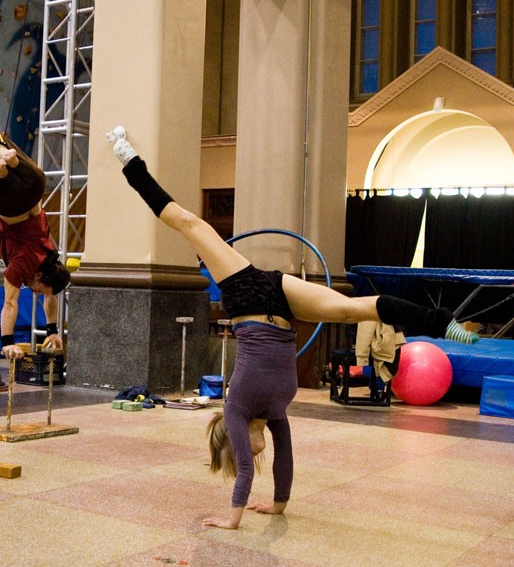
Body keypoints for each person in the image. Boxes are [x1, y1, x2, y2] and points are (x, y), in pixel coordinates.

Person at [105, 125, 478, 530]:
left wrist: (231, 520)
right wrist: (279, 505)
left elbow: (245, 473)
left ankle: (127, 158)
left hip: (246, 291)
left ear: (234, 441)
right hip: (283, 303)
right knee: (355, 310)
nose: (257, 452)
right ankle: (442, 322)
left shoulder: (237, 409)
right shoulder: (276, 410)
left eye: (247, 450)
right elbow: (285, 458)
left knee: (188, 223)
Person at [0, 127, 71, 360]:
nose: (35, 292)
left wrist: (52, 331)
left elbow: (51, 297)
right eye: (38, 290)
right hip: (10, 203)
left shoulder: (50, 254)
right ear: (40, 277)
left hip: (35, 185)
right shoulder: (23, 265)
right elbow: (10, 303)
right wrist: (7, 342)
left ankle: (1, 153)